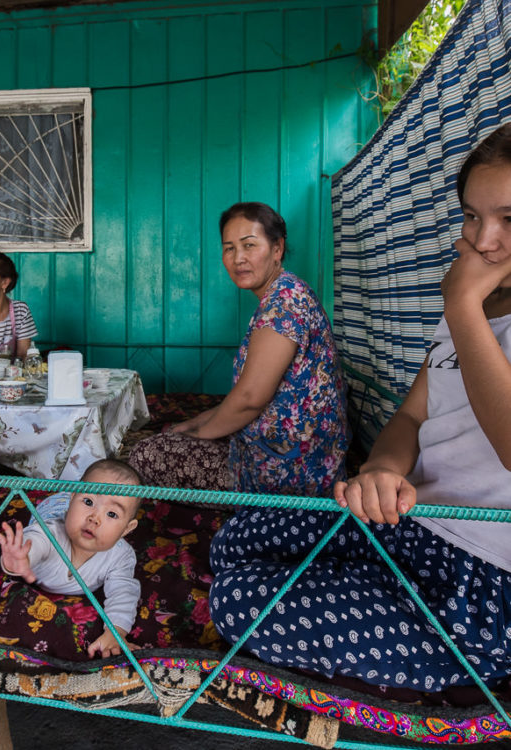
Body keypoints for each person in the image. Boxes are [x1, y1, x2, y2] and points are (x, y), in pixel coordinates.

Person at [210, 123, 511, 693]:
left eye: (509, 219)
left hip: (482, 585)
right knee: (236, 539)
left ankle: (468, 667)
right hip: (416, 527)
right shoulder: (474, 316)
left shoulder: (467, 310)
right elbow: (412, 417)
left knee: (235, 598)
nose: (484, 241)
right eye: (472, 216)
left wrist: (462, 305)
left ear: (277, 250)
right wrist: (382, 469)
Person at [129, 202, 348, 497]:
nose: (238, 258)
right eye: (229, 248)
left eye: (249, 245)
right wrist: (191, 424)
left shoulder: (285, 303)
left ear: (277, 248)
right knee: (171, 433)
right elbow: (245, 394)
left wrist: (196, 434)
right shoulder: (285, 293)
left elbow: (249, 399)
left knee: (146, 454)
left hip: (291, 473)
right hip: (288, 455)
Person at [0, 459, 142, 658]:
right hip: (53, 510)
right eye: (88, 502)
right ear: (74, 499)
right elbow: (35, 542)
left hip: (69, 504)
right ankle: (66, 500)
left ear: (127, 529)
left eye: (112, 514)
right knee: (47, 521)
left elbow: (123, 593)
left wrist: (116, 631)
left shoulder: (121, 556)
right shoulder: (50, 533)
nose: (94, 518)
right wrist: (19, 557)